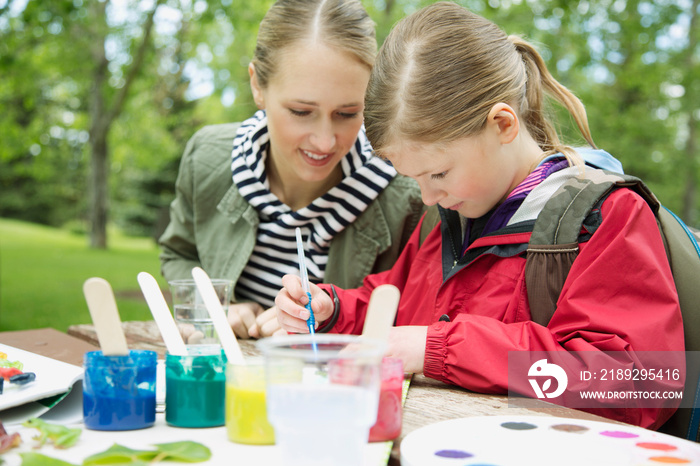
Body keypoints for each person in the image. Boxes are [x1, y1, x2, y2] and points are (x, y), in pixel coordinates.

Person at [274, 2, 684, 430]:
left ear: (503, 125)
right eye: (414, 179)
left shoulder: (605, 218)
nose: (428, 196)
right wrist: (334, 311)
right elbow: (394, 307)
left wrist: (439, 349)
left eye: (439, 172)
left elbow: (641, 384)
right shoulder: (449, 213)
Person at [159, 0, 426, 340]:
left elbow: (418, 312)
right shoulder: (207, 157)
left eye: (347, 113)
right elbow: (180, 253)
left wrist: (330, 327)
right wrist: (216, 306)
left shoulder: (410, 195)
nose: (325, 141)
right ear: (258, 86)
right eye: (301, 111)